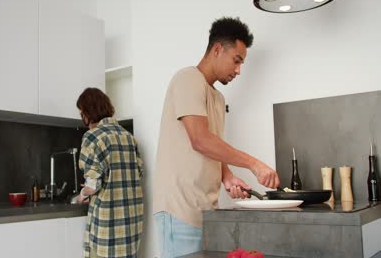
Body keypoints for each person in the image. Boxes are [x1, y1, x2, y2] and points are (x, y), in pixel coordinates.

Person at [153, 17, 280, 257]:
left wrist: (228, 177)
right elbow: (200, 139)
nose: (239, 70)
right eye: (236, 60)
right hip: (180, 209)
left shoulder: (218, 99)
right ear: (217, 49)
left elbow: (211, 146)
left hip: (206, 211)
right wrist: (254, 164)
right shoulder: (187, 78)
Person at [74, 88, 144, 258]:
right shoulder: (128, 136)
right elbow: (139, 172)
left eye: (82, 112)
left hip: (108, 233)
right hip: (131, 230)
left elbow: (92, 184)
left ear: (87, 112)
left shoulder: (92, 137)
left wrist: (82, 194)